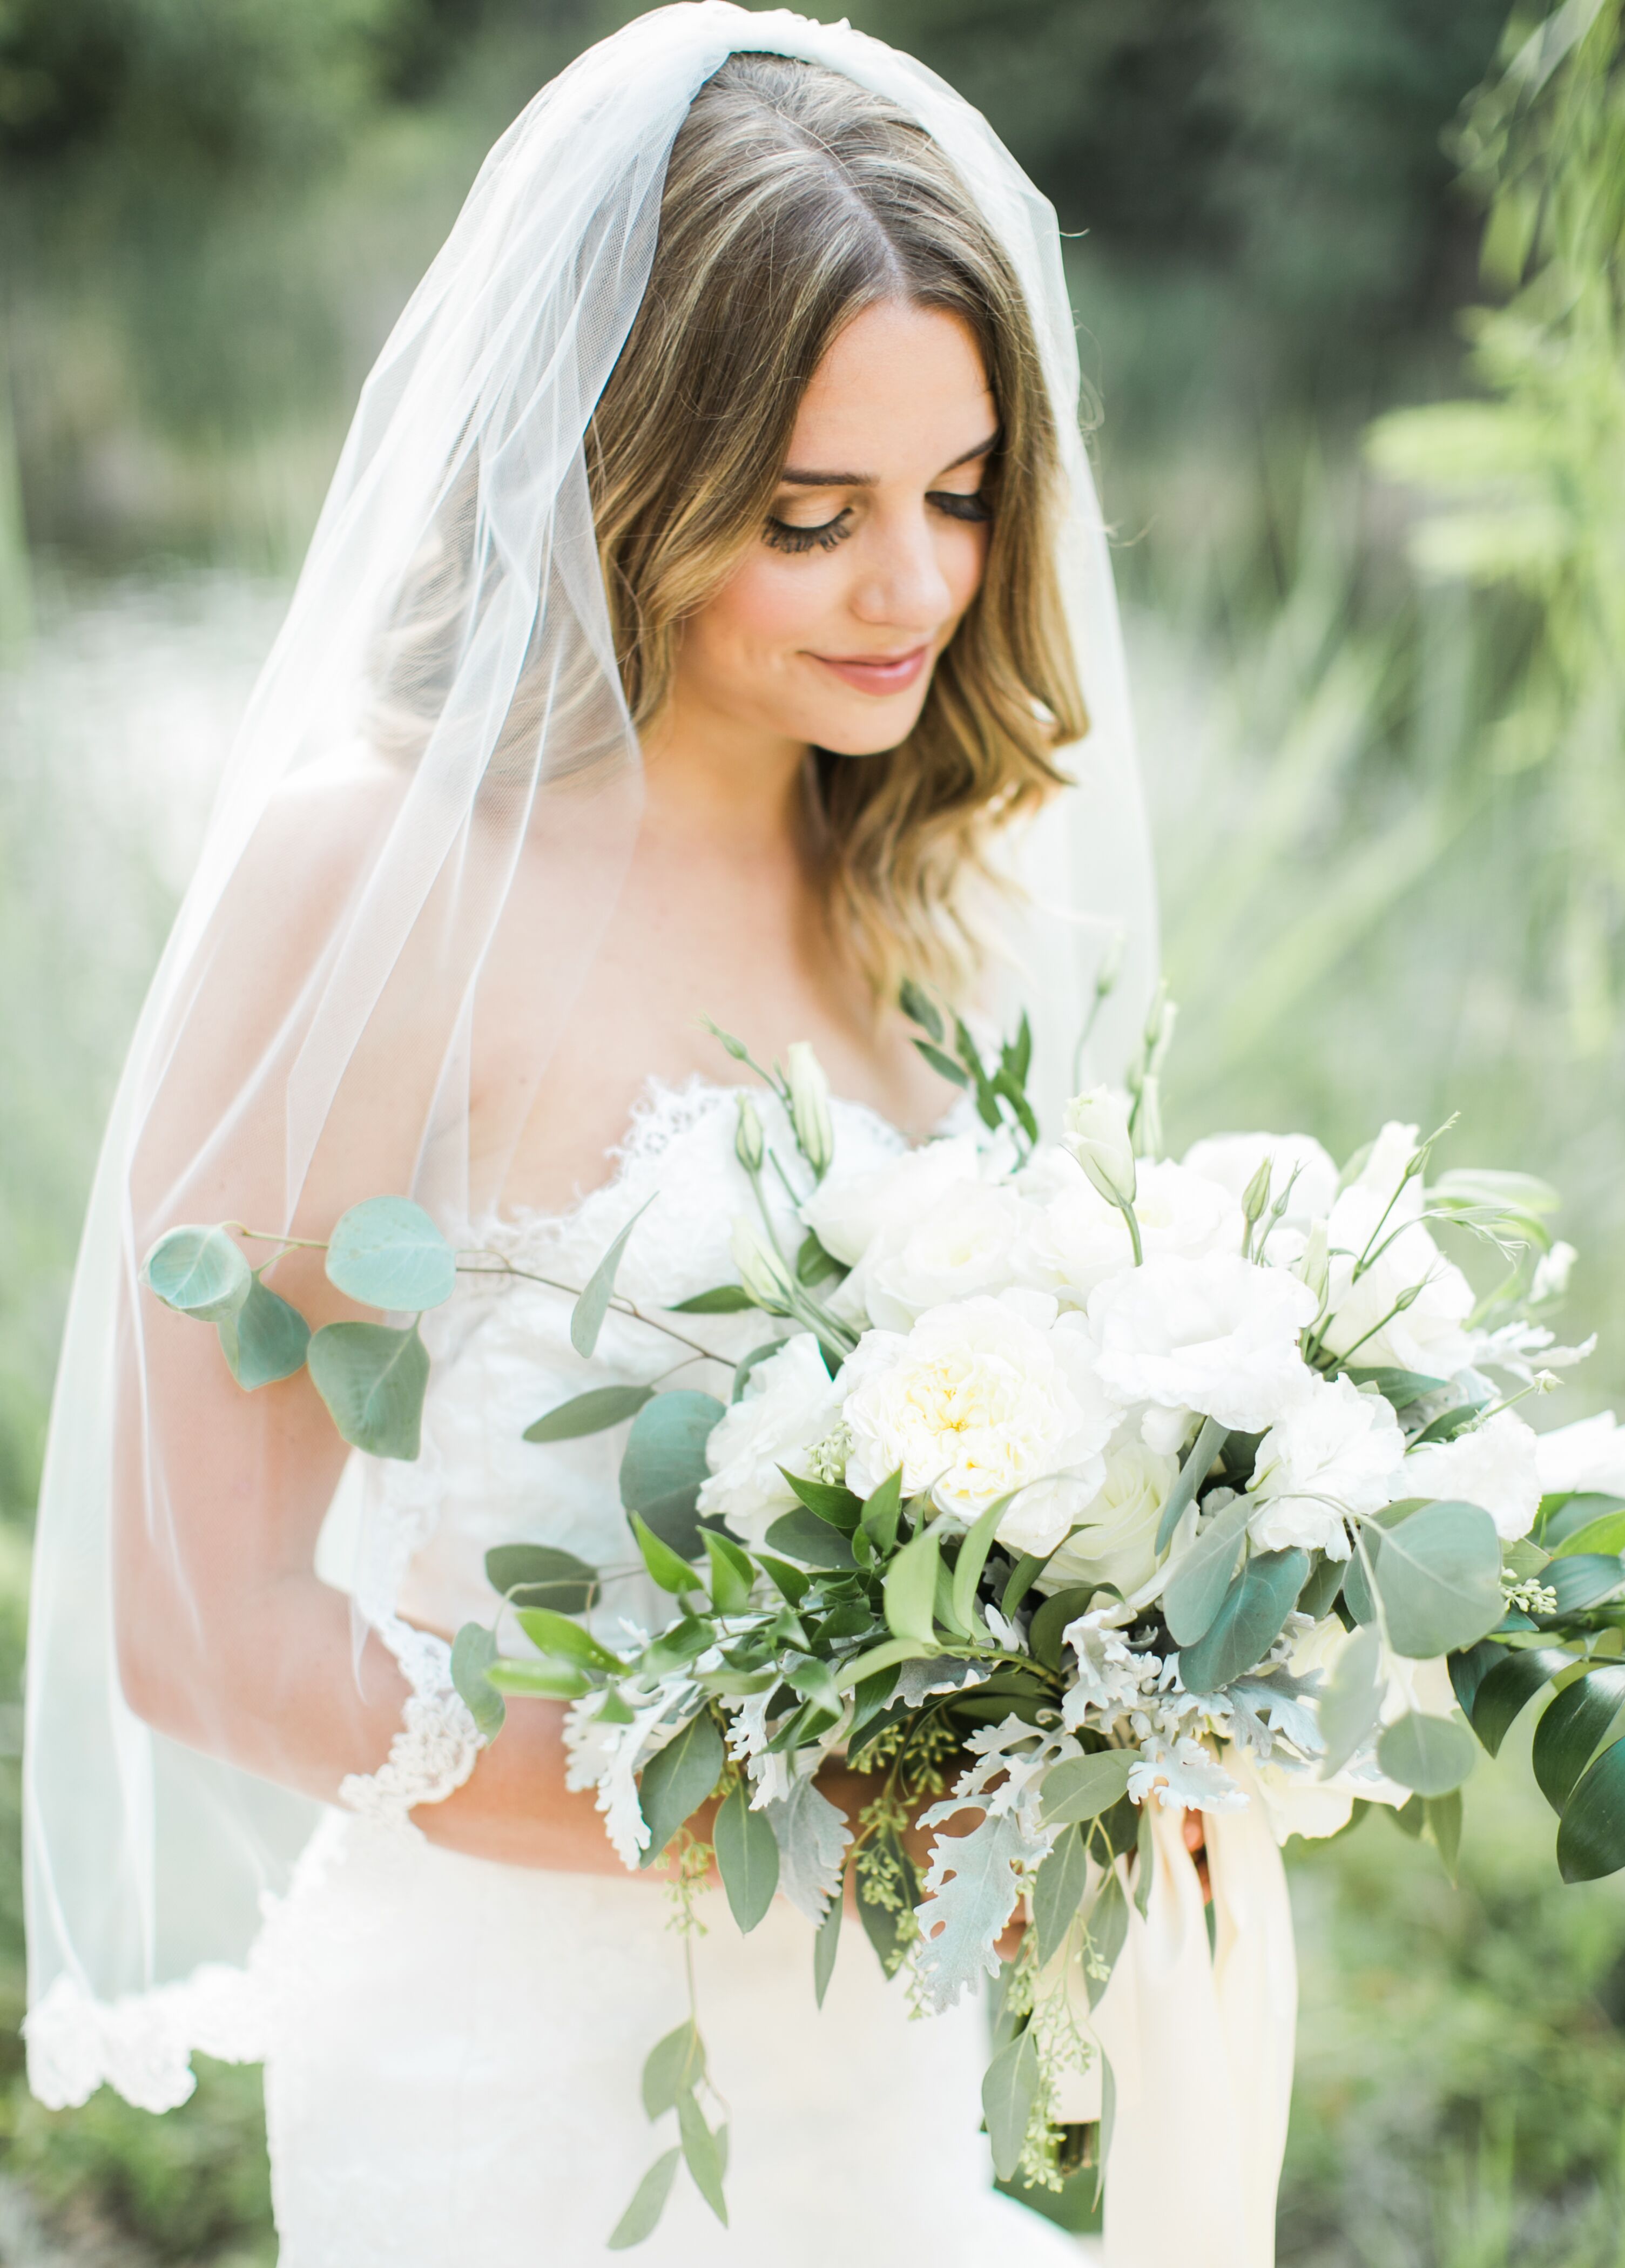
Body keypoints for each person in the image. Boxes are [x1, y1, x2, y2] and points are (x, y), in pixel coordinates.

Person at [24, 10, 1174, 2263]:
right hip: (515, 2073)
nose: (912, 593)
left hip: (869, 2050)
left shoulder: (937, 883)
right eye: (808, 519)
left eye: (957, 497)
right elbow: (195, 1612)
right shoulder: (376, 881)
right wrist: (738, 1794)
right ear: (622, 474)